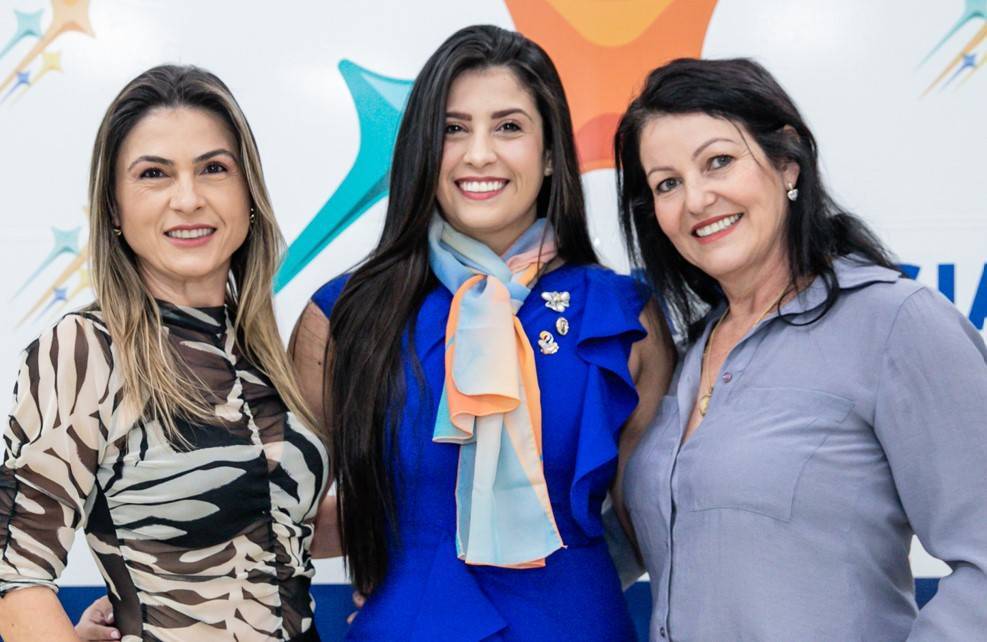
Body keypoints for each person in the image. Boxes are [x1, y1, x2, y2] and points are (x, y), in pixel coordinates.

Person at [289, 24, 674, 641]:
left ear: (550, 154)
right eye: (453, 128)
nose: (478, 155)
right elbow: (285, 518)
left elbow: (654, 525)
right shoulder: (345, 316)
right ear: (423, 149)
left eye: (509, 127)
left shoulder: (624, 317)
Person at [615, 57, 987, 641]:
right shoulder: (687, 355)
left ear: (787, 161)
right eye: (667, 183)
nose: (696, 199)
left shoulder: (895, 323)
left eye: (719, 161)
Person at [0, 65, 329, 642]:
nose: (188, 198)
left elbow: (273, 523)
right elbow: (15, 578)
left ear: (249, 194)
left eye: (214, 168)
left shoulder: (262, 354)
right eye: (154, 174)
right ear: (114, 209)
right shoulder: (85, 350)